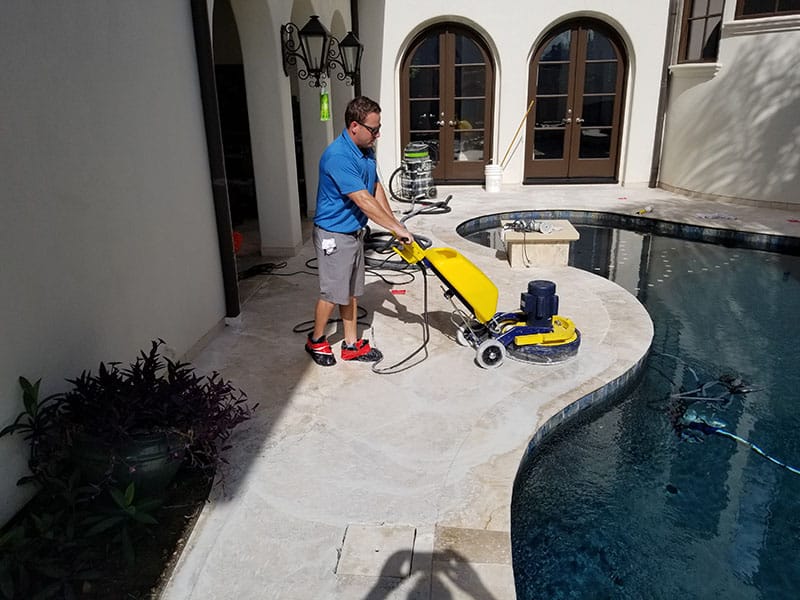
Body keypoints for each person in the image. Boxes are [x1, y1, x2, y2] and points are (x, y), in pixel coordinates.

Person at [305, 96, 414, 367]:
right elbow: (363, 200)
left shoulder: (366, 151)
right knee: (332, 293)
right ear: (355, 126)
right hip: (334, 235)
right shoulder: (338, 156)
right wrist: (394, 228)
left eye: (378, 129)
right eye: (373, 129)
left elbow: (375, 188)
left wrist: (395, 225)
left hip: (354, 233)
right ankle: (316, 340)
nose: (377, 135)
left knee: (351, 292)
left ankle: (351, 345)